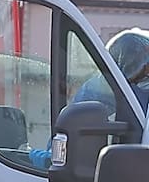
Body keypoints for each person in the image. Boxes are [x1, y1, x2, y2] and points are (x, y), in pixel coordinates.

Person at [29, 28, 149, 169]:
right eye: (144, 62)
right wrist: (39, 158)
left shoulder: (140, 89)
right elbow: (68, 139)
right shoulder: (102, 87)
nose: (147, 69)